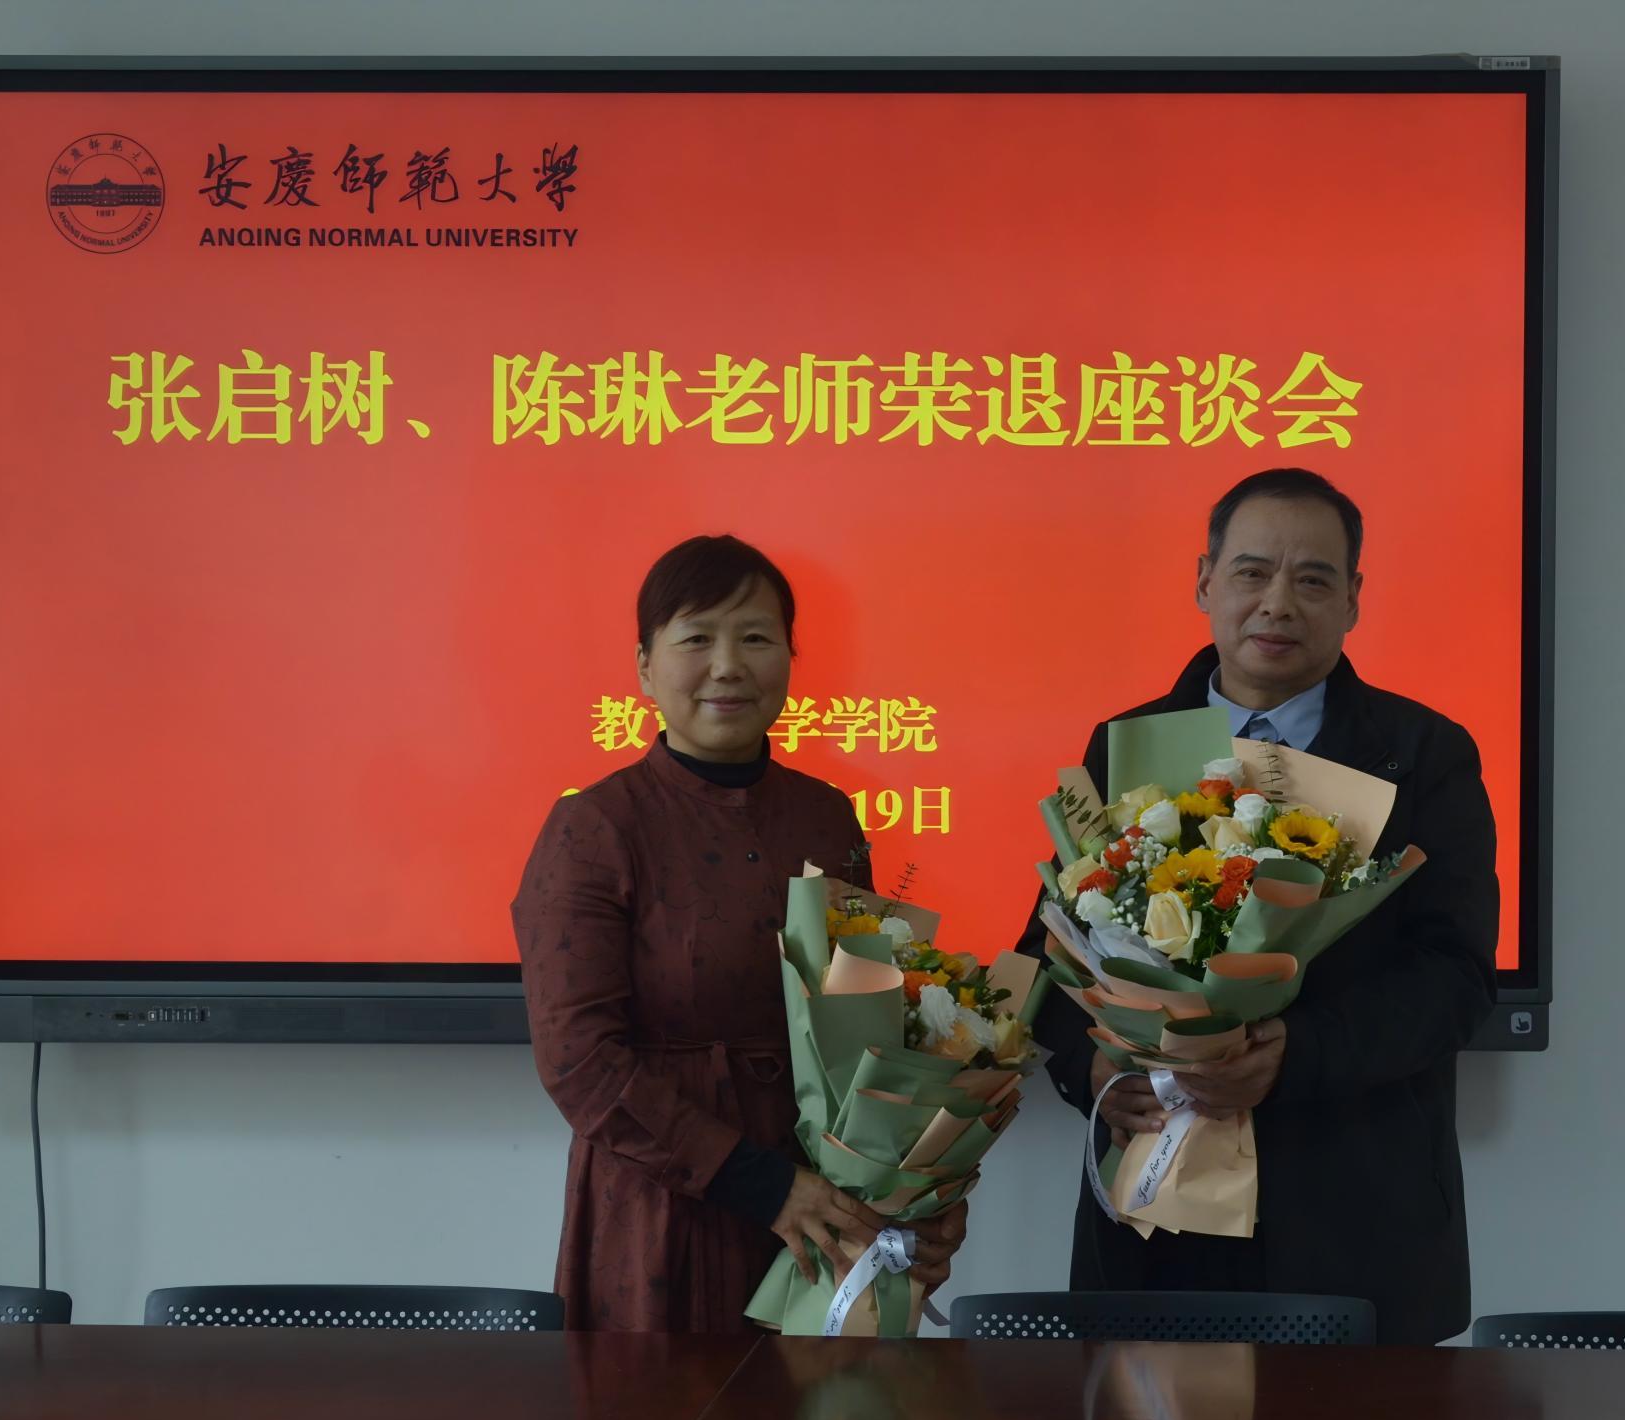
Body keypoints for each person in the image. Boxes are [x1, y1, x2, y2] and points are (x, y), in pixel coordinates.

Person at [1017, 469, 1498, 1344]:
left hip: (1354, 1214)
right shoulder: (1125, 745)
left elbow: (1456, 978)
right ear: (1205, 582)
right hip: (1156, 1218)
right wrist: (1092, 1074)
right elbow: (1052, 954)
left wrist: (1295, 1054)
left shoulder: (1423, 753)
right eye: (1251, 572)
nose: (1277, 602)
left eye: (1312, 579)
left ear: (1351, 599)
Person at [513, 535, 966, 1332]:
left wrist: (916, 1192)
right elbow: (578, 1061)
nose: (728, 666)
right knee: (663, 1406)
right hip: (664, 1206)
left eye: (755, 638)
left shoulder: (826, 818)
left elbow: (872, 1020)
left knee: (821, 1405)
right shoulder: (595, 827)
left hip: (825, 1196)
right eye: (696, 639)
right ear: (645, 666)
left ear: (789, 657)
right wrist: (762, 1186)